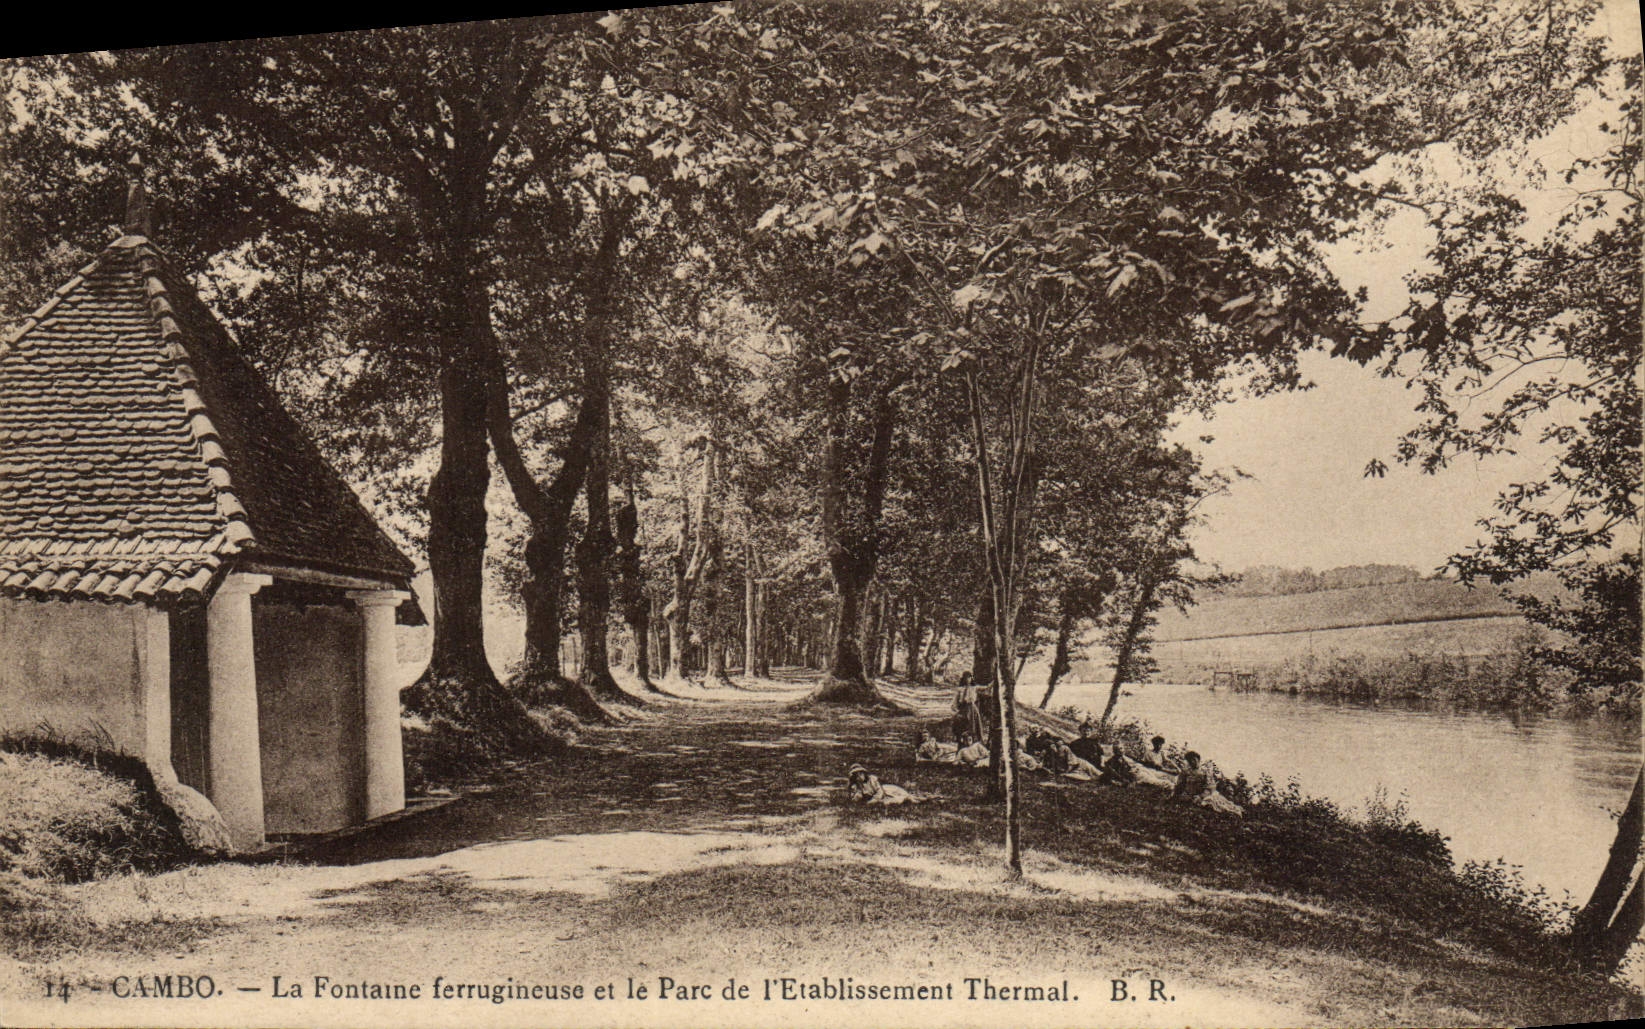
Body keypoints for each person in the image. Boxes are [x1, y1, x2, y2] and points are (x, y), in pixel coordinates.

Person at [1172, 751, 1243, 816]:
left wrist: (1201, 796)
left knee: (1211, 803)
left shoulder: (1205, 772)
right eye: (1190, 760)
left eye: (1194, 759)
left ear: (1198, 760)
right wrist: (1176, 794)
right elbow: (1180, 784)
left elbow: (1210, 786)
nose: (1193, 762)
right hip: (1189, 794)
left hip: (1203, 794)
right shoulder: (1185, 771)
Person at [846, 764, 920, 805]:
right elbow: (854, 796)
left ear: (864, 773)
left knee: (897, 796)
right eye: (857, 776)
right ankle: (910, 799)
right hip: (876, 797)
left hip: (885, 791)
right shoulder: (857, 785)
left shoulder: (872, 780)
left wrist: (873, 800)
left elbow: (879, 792)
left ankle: (911, 798)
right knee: (887, 802)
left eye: (861, 774)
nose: (859, 777)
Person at [953, 673, 985, 744]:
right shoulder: (960, 689)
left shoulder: (974, 688)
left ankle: (977, 740)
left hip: (972, 707)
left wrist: (993, 682)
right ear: (963, 679)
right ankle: (961, 739)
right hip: (963, 707)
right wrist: (955, 709)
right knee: (959, 721)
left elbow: (986, 688)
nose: (967, 680)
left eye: (969, 678)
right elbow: (955, 700)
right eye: (966, 678)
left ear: (971, 679)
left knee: (974, 723)